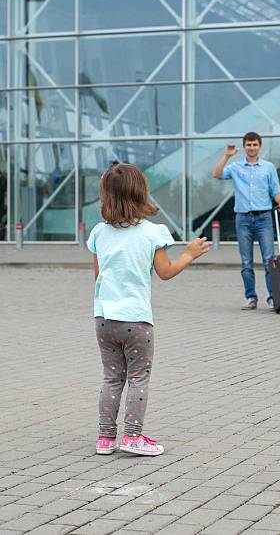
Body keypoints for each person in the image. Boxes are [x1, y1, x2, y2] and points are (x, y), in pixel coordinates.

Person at [87, 162, 209, 456]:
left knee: (111, 377)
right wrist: (189, 254)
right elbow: (165, 272)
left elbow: (98, 277)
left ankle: (105, 439)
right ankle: (132, 436)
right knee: (138, 377)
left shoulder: (98, 233)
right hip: (137, 321)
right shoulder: (153, 232)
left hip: (104, 318)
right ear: (140, 192)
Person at [212, 132, 280, 310]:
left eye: (255, 145)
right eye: (249, 145)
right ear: (244, 147)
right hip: (243, 218)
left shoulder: (268, 167)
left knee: (269, 259)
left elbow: (275, 189)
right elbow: (216, 174)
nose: (252, 148)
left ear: (259, 146)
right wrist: (227, 156)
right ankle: (251, 298)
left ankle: (272, 297)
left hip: (264, 218)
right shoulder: (236, 167)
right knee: (246, 262)